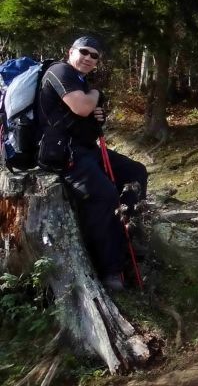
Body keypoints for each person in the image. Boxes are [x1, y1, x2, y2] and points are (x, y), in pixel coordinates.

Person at [37, 35, 147, 292]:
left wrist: (98, 111)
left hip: (86, 149)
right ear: (71, 51)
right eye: (84, 52)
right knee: (104, 196)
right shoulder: (59, 71)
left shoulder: (80, 80)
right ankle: (109, 269)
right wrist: (95, 96)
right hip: (63, 154)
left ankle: (126, 231)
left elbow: (86, 113)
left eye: (94, 55)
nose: (88, 58)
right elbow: (81, 107)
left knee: (135, 172)